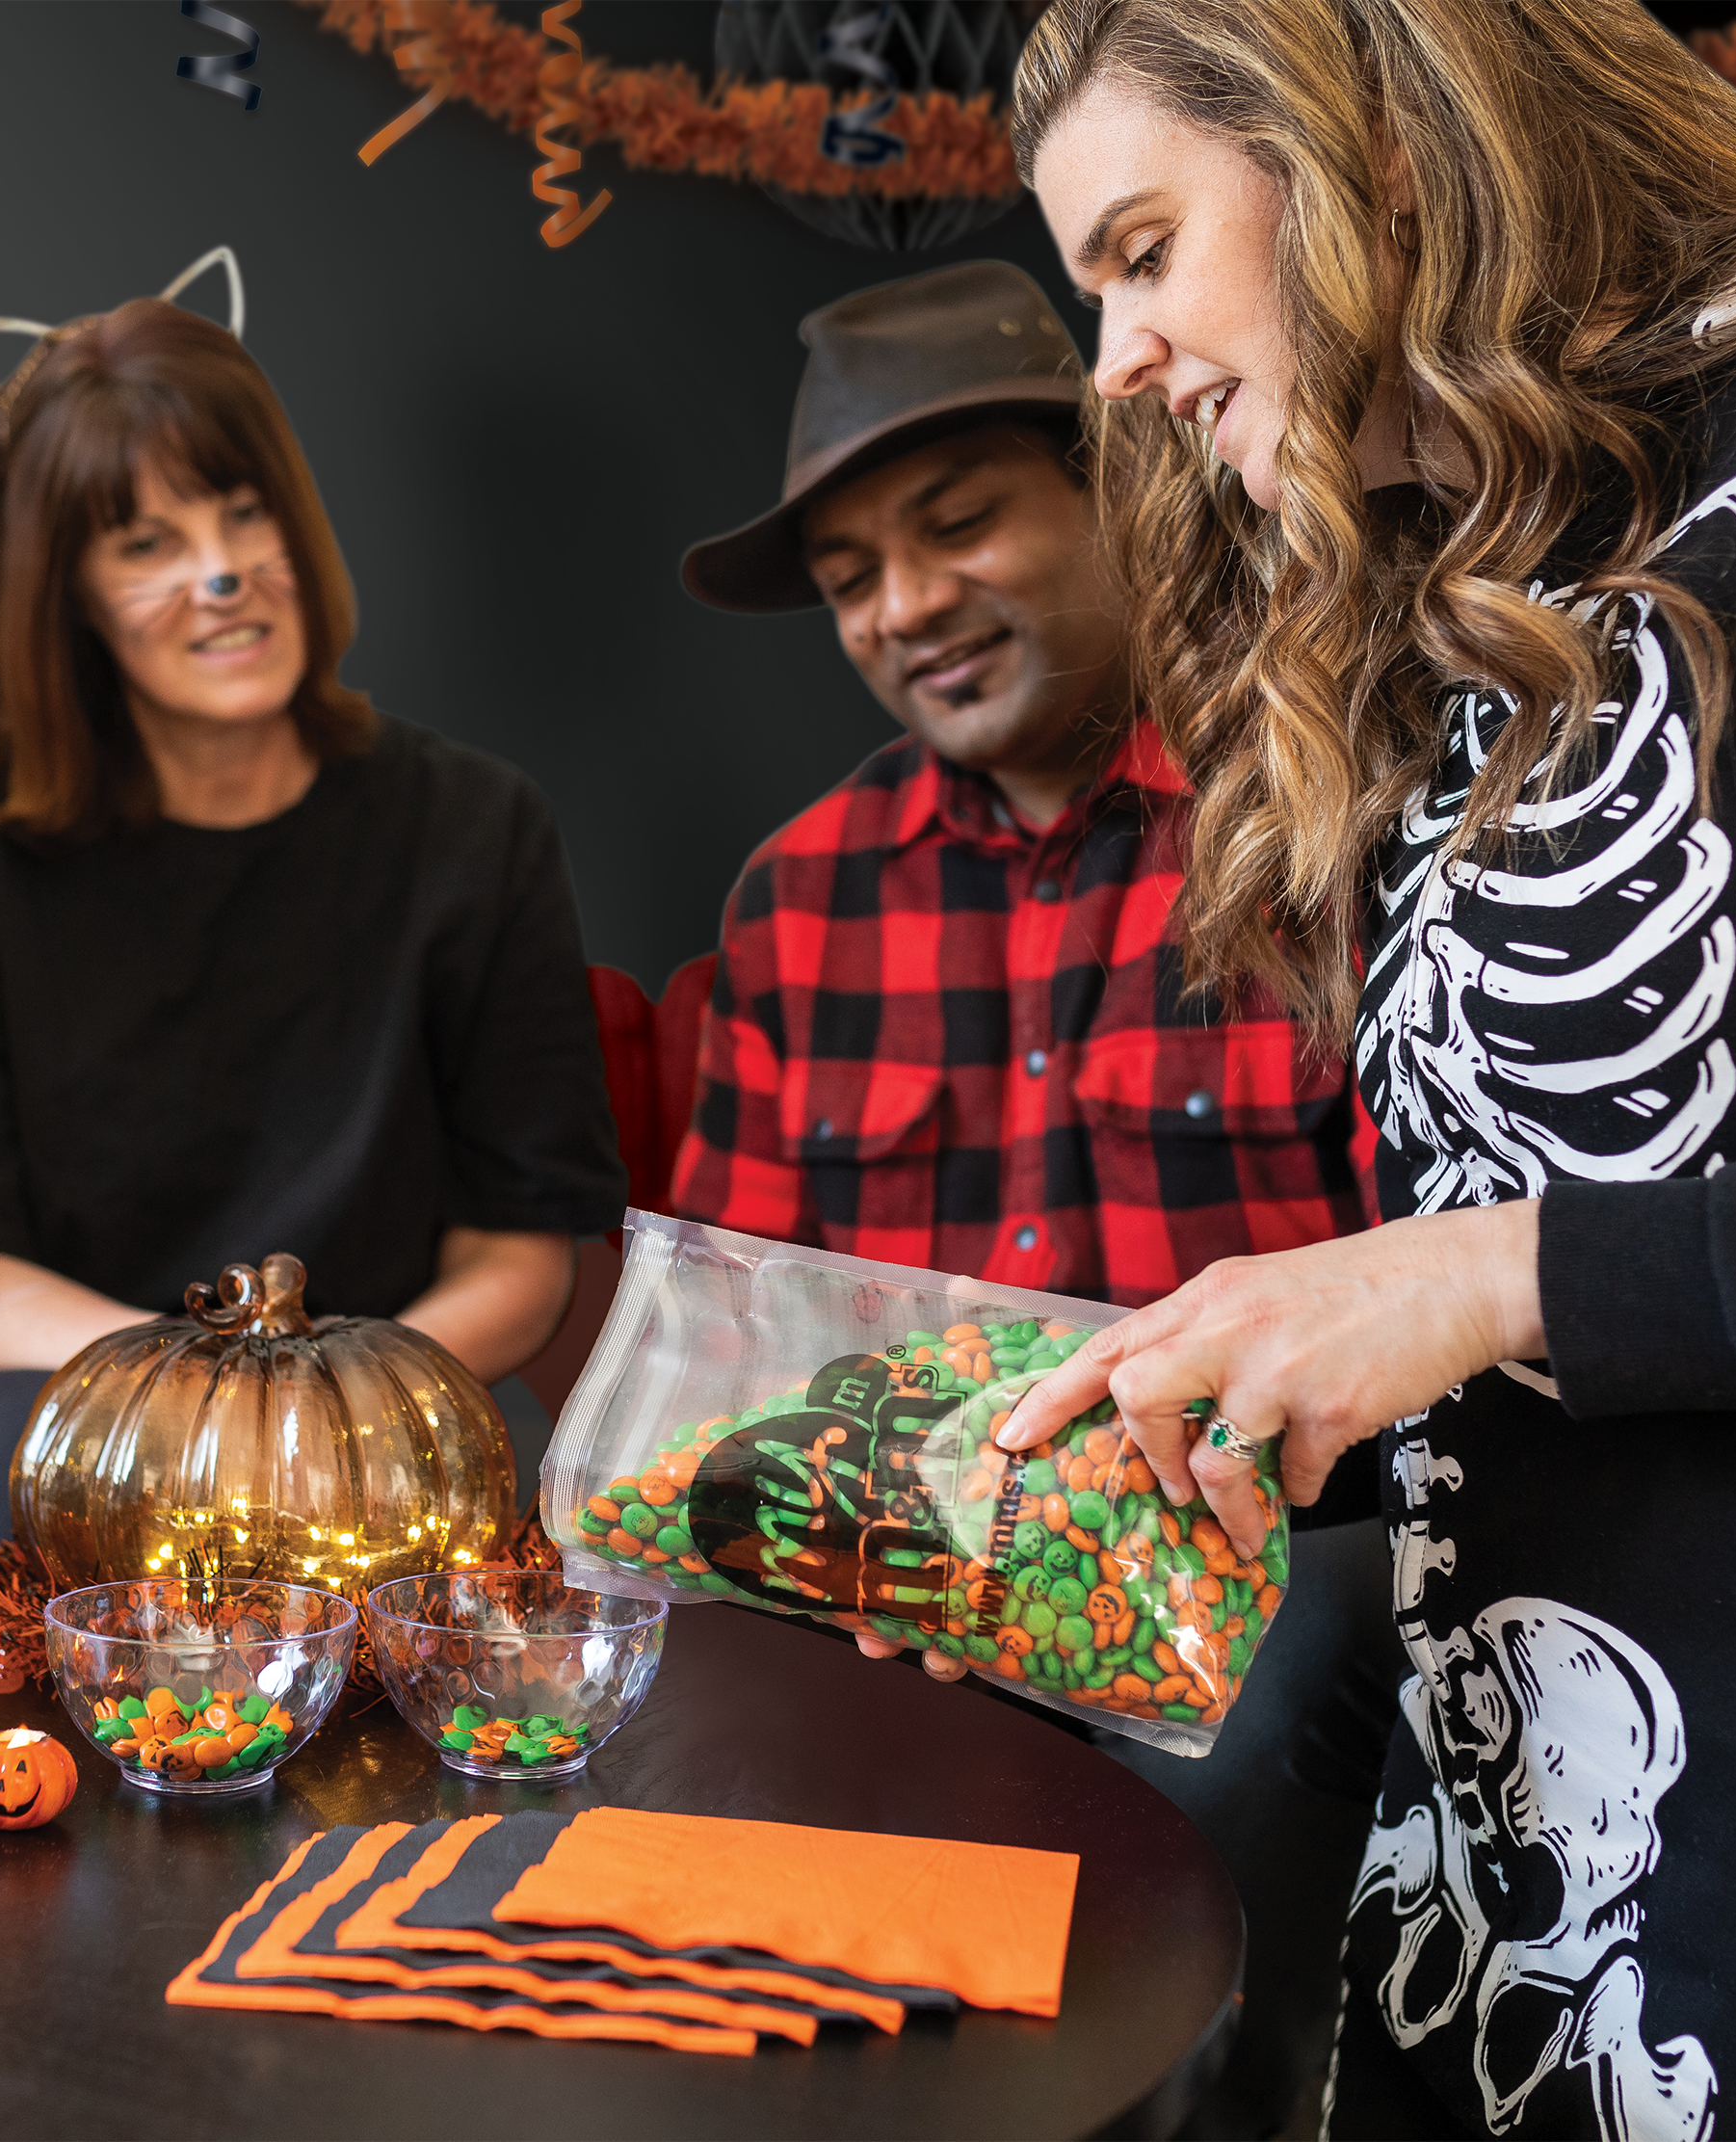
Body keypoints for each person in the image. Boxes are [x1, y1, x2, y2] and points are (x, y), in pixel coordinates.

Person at [975, 1, 1736, 2133]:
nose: (1117, 366)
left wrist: (1506, 1274)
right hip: (1505, 1917)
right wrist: (1213, 1429)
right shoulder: (1481, 601)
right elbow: (1585, 1292)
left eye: (1144, 250)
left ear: (1379, 154)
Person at [677, 258, 1392, 2142]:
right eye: (850, 578)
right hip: (895, 1604)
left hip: (1248, 1593)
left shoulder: (1315, 821)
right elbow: (732, 1369)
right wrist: (836, 1568)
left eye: (958, 521)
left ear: (1116, 493)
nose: (905, 604)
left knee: (1319, 1642)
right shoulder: (797, 901)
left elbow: (1445, 1316)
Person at [0, 285, 627, 1547]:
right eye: (144, 544)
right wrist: (203, 1404)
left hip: (390, 1395)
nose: (221, 571)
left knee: (516, 1475)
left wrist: (334, 1412)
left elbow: (520, 1252)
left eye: (241, 510)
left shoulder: (477, 824)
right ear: (66, 597)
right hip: (79, 1398)